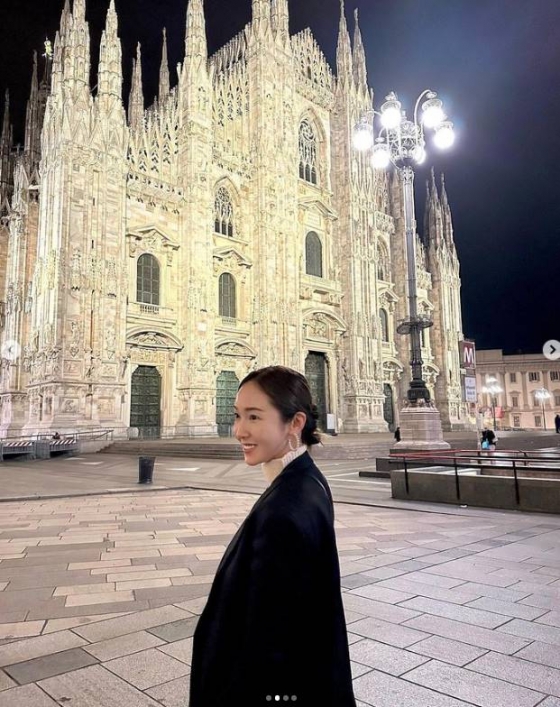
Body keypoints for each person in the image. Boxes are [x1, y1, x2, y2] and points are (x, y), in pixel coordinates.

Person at [189, 366, 357, 707]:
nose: (239, 430)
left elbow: (272, 649)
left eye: (254, 416)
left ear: (295, 423)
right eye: (237, 415)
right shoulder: (309, 480)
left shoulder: (284, 511)